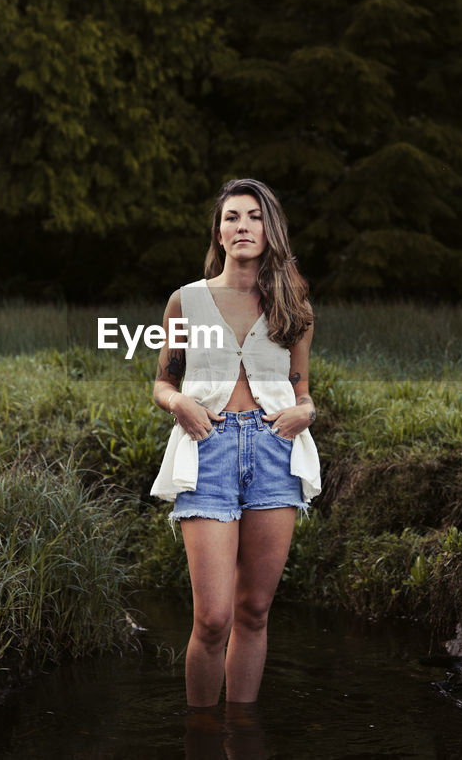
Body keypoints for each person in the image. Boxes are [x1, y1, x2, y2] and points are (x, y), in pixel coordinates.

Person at [151, 178, 319, 708]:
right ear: (218, 232)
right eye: (231, 217)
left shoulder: (293, 302)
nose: (242, 226)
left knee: (253, 612)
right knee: (213, 617)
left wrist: (305, 413)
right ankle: (200, 736)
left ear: (270, 230)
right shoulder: (187, 301)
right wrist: (179, 404)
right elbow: (162, 383)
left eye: (253, 216)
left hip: (275, 451)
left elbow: (304, 393)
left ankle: (240, 737)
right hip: (208, 450)